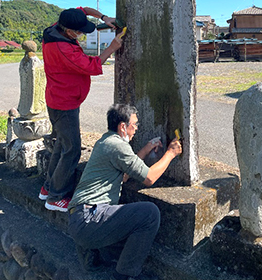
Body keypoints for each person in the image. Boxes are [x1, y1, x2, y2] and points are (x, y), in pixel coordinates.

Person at [67, 104, 182, 280]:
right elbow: (150, 178)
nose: (136, 128)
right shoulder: (118, 146)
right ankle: (124, 275)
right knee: (150, 214)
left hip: (78, 219)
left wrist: (146, 149)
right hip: (90, 218)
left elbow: (125, 176)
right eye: (134, 124)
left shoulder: (105, 142)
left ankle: (94, 254)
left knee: (125, 229)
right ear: (123, 126)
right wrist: (171, 153)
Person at [39, 7, 123, 212]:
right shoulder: (63, 49)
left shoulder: (53, 29)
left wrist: (104, 18)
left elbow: (83, 9)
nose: (82, 34)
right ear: (68, 30)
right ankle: (55, 197)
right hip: (64, 103)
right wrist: (112, 46)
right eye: (80, 31)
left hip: (57, 98)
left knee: (62, 145)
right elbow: (91, 66)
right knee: (72, 150)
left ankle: (48, 187)